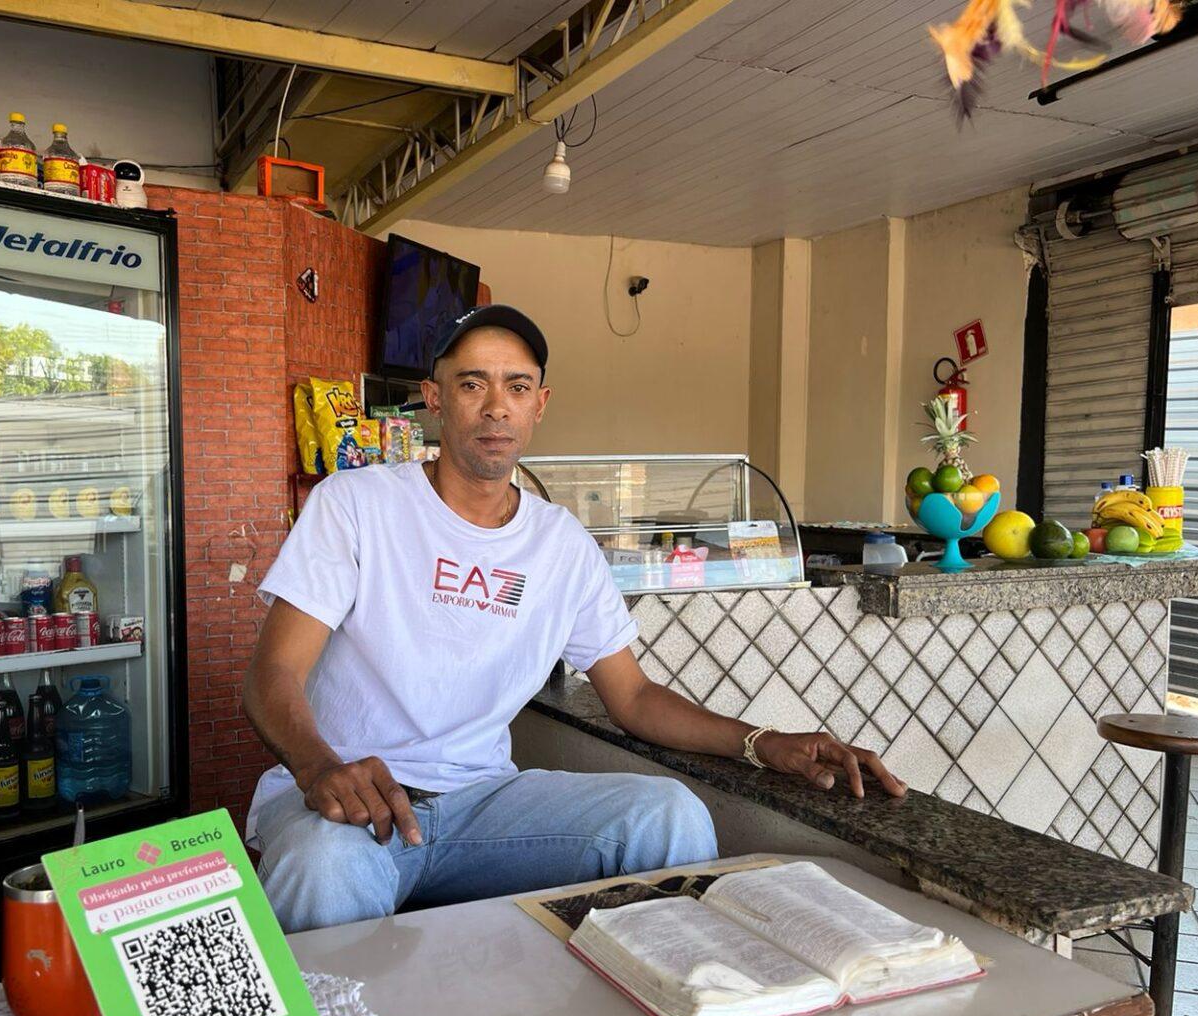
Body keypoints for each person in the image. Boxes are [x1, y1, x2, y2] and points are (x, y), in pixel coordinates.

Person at [244, 304, 906, 932]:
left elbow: (635, 696)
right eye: (473, 383)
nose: (496, 405)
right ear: (436, 398)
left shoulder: (561, 545)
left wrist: (762, 742)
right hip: (349, 806)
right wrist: (320, 766)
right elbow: (272, 673)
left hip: (482, 805)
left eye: (517, 385)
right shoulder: (356, 505)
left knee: (668, 818)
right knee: (324, 865)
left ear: (540, 404)